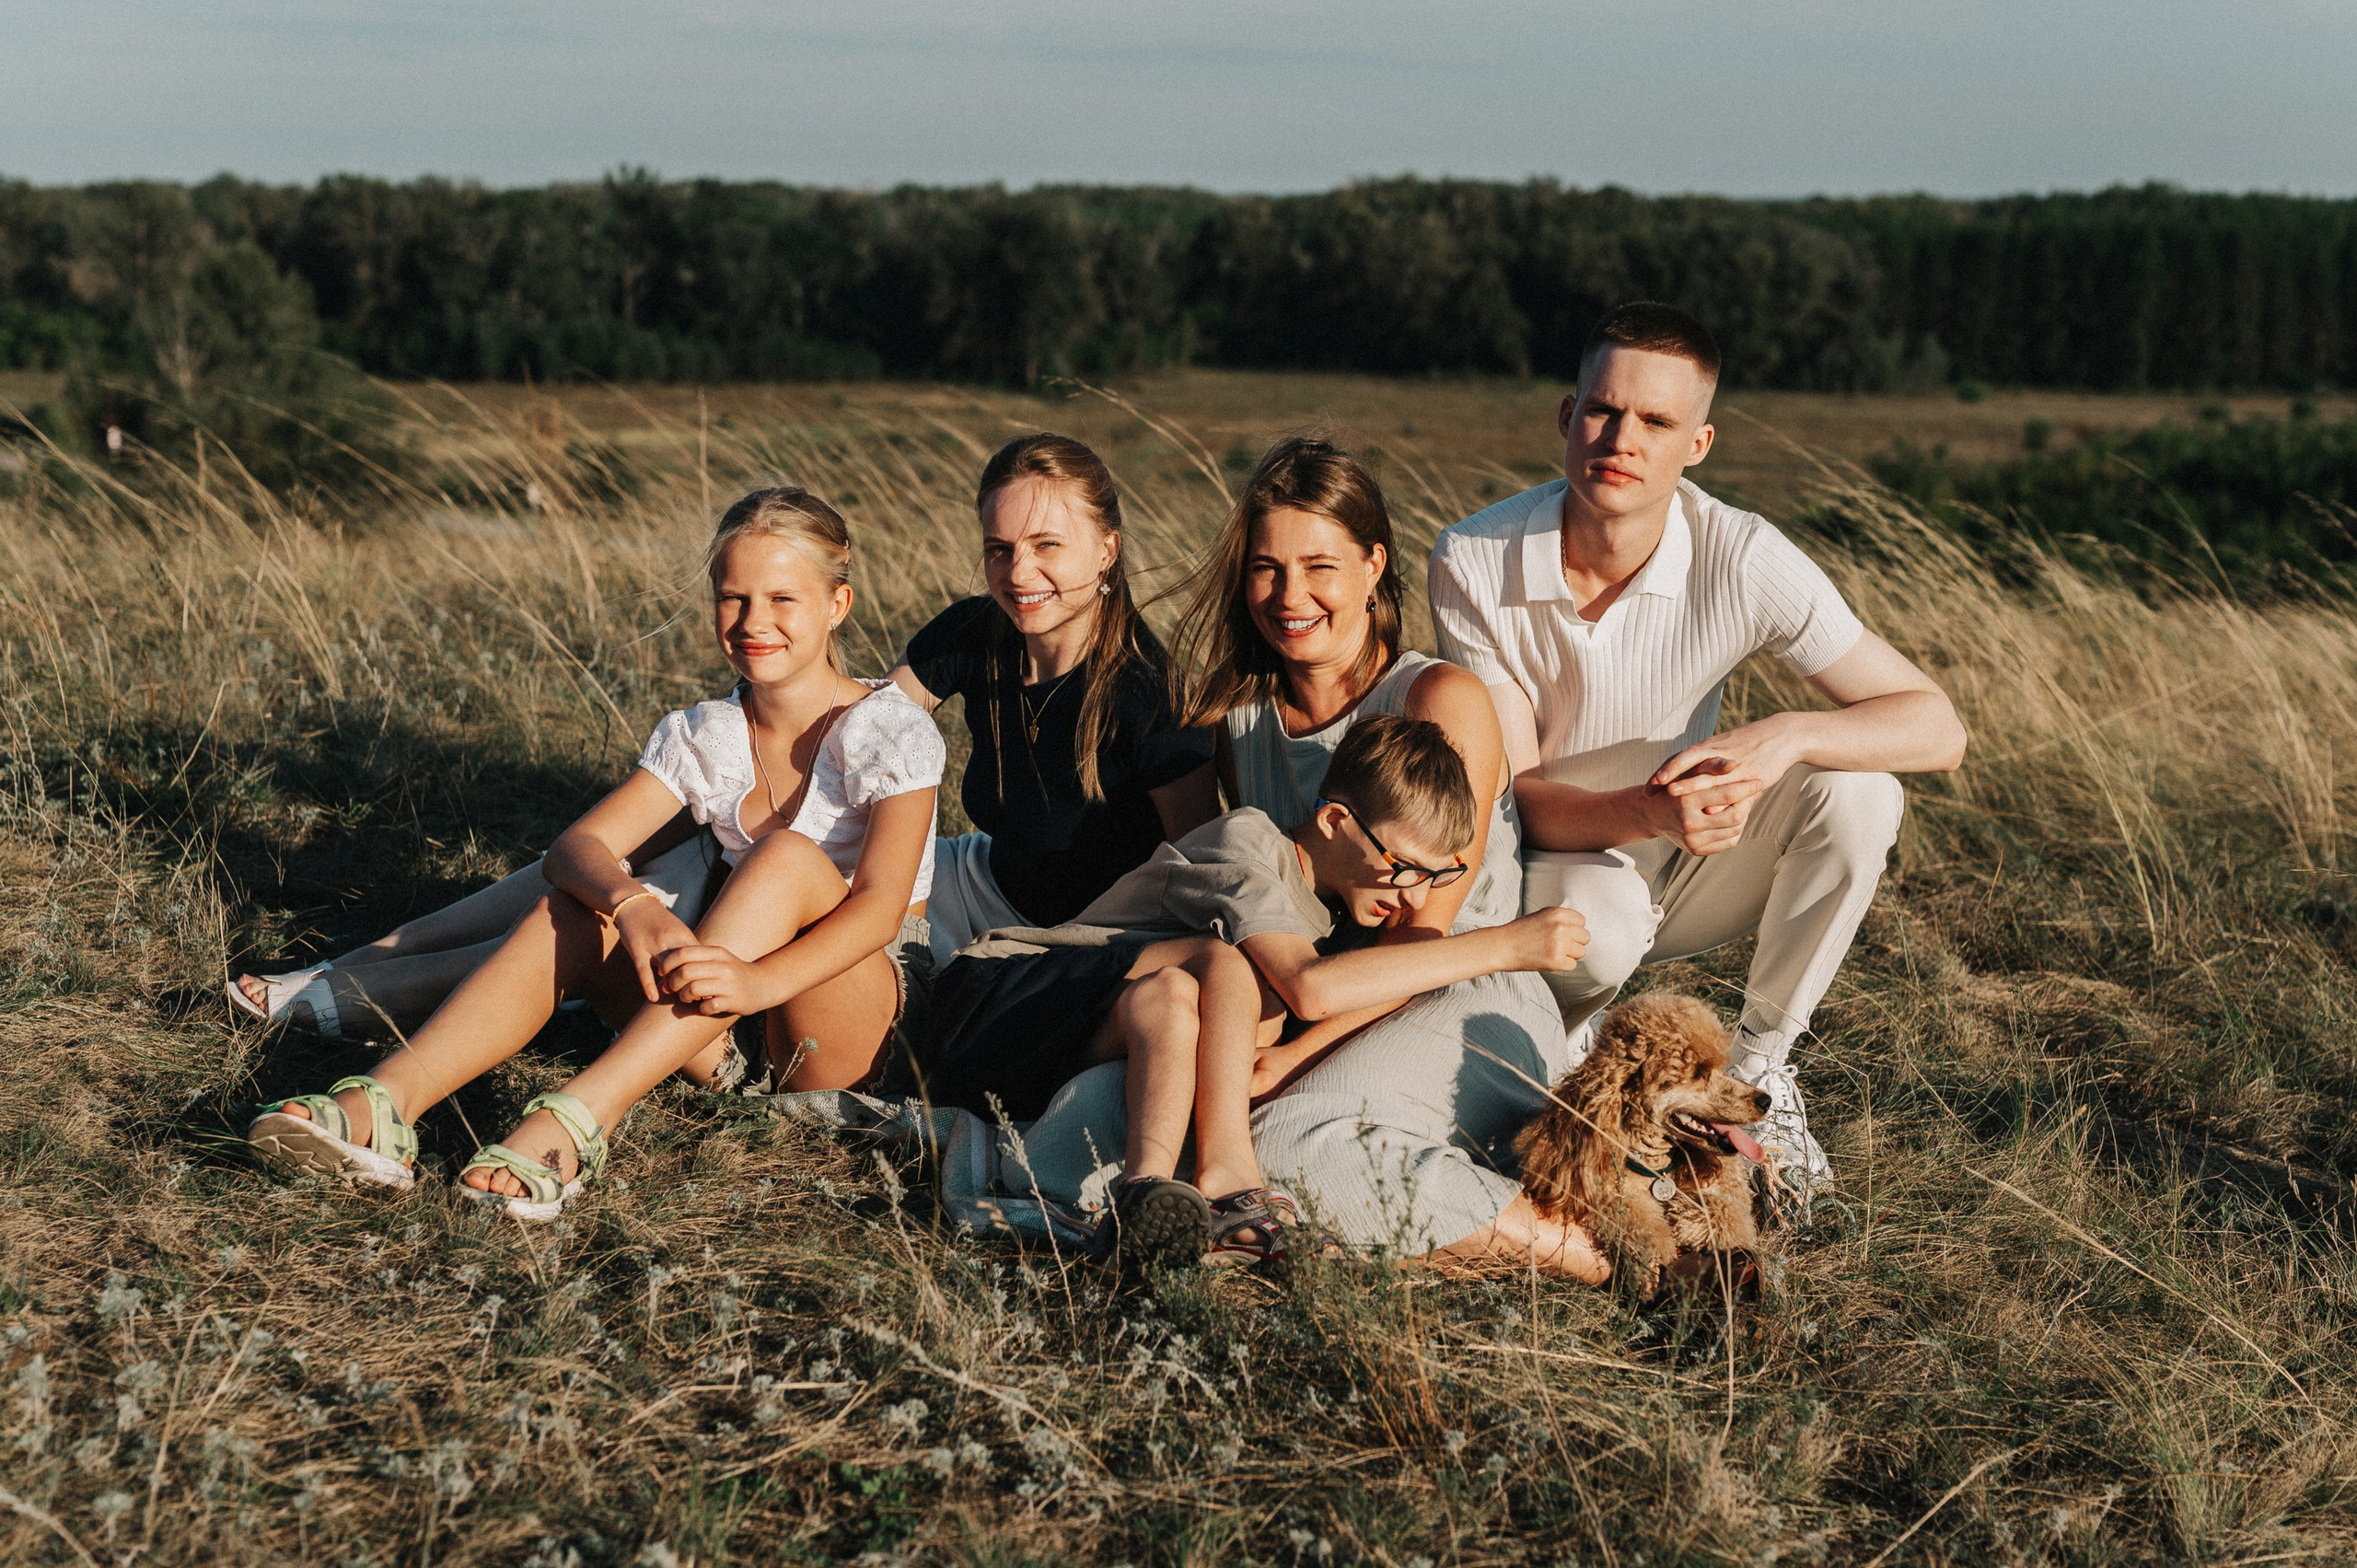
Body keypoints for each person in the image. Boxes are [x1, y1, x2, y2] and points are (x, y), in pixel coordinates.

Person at [244, 486, 945, 1217]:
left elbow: (880, 909)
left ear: (837, 605)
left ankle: (577, 1121)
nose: (752, 622)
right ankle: (384, 1104)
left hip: (859, 1028)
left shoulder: (889, 730)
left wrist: (756, 983)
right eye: (733, 598)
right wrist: (634, 907)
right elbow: (575, 848)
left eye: (782, 599)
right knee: (571, 908)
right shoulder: (710, 732)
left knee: (785, 858)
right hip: (724, 1026)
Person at [1429, 300, 1968, 1203]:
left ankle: (1758, 1074)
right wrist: (1649, 809)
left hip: (1692, 862)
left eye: (1655, 421)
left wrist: (1789, 732)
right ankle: (1569, 1064)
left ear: (1698, 443)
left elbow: (1937, 727)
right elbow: (1518, 802)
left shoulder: (1743, 553)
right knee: (1595, 936)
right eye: (1603, 411)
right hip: (1552, 871)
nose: (1621, 440)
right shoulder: (1473, 557)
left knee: (1860, 793)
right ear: (1567, 415)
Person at [1163, 436, 1608, 1279]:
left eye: (1319, 567)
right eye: (1266, 568)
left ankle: (1597, 1253)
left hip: (1465, 986)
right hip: (1318, 993)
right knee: (1185, 1139)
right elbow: (1216, 895)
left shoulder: (1437, 698)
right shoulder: (1235, 716)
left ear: (1373, 567)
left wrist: (1294, 1058)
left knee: (1278, 1144)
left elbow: (1421, 937)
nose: (1289, 596)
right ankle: (1401, 1230)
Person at [917, 715, 1586, 1267]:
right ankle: (1232, 1182)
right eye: (1403, 867)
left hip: (1075, 1041)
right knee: (1224, 965)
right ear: (1334, 821)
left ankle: (1143, 1200)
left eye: (1436, 878)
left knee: (1172, 1001)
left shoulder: (1337, 916)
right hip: (990, 1002)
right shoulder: (1249, 847)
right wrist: (1506, 946)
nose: (1413, 897)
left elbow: (1275, 1027)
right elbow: (1309, 991)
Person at [889, 433, 1219, 957]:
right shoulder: (973, 632)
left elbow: (1197, 876)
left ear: (1107, 550)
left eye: (1046, 545)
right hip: (976, 881)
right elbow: (866, 728)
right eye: (999, 550)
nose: (1018, 573)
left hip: (1089, 939)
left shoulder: (1153, 697)